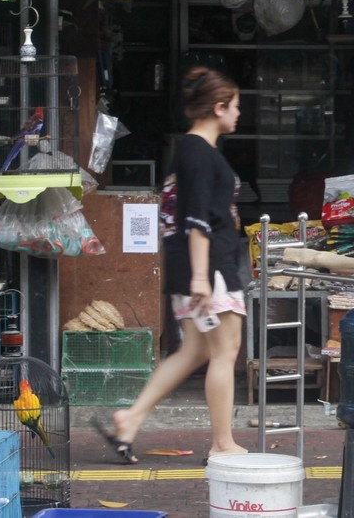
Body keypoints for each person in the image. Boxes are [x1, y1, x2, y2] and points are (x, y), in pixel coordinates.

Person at [95, 65, 248, 463]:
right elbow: (196, 218)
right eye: (235, 106)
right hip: (209, 268)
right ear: (218, 107)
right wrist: (200, 276)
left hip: (196, 266)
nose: (239, 114)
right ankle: (222, 443)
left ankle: (130, 418)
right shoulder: (199, 152)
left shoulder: (192, 151)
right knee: (225, 350)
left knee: (194, 349)